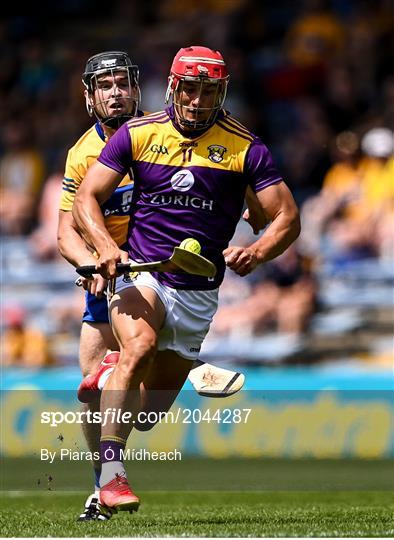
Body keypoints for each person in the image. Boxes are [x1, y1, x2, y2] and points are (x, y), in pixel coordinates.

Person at [72, 45, 300, 515]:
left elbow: (287, 218)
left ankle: (111, 370)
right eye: (190, 89)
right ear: (173, 87)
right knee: (141, 346)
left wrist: (257, 252)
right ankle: (112, 477)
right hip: (144, 274)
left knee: (149, 414)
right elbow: (86, 200)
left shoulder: (245, 147)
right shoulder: (138, 134)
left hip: (198, 293)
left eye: (209, 91)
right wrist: (108, 248)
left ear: (222, 92)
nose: (198, 100)